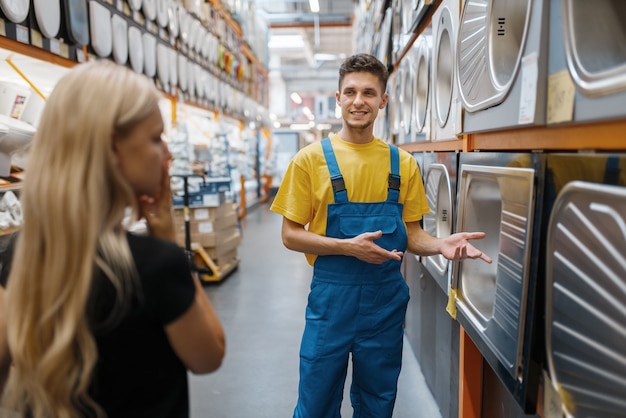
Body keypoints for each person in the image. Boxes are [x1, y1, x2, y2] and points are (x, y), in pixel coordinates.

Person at [270, 53, 492, 418]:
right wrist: (347, 248)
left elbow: (412, 235)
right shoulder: (309, 161)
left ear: (383, 100)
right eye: (351, 92)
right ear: (338, 97)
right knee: (315, 402)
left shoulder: (401, 163)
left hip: (384, 302)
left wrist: (440, 244)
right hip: (331, 302)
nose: (359, 101)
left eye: (369, 93)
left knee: (378, 402)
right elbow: (291, 235)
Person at [0, 60, 225, 418]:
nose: (166, 153)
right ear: (110, 149)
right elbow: (208, 355)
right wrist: (168, 239)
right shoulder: (154, 265)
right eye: (155, 138)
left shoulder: (13, 258)